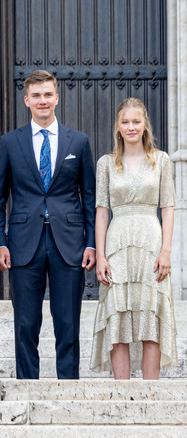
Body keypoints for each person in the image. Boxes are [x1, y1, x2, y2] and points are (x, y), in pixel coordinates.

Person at [0, 69, 96, 379]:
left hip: (69, 243)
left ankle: (68, 389)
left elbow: (88, 196)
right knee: (25, 322)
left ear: (57, 98)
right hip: (23, 243)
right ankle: (26, 386)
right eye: (36, 95)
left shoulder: (79, 141)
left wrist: (90, 243)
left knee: (67, 322)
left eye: (48, 94)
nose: (42, 100)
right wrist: (0, 242)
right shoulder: (11, 142)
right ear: (26, 100)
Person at [90, 97, 177, 379]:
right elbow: (102, 212)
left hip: (151, 242)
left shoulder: (161, 160)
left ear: (144, 125)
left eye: (136, 121)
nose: (131, 127)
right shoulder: (106, 163)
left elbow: (168, 207)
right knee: (119, 319)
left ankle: (150, 394)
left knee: (150, 317)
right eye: (125, 122)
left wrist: (166, 251)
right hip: (117, 244)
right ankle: (121, 393)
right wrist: (101, 255)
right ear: (117, 126)